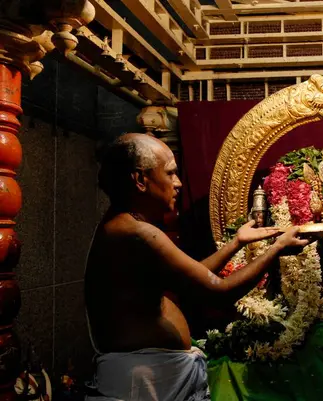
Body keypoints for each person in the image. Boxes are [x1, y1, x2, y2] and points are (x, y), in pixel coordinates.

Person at [84, 133, 308, 400]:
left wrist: (236, 242)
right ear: (140, 180)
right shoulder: (138, 233)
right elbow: (218, 291)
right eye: (170, 174)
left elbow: (194, 277)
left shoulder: (124, 225)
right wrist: (277, 249)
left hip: (149, 374)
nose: (178, 183)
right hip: (143, 381)